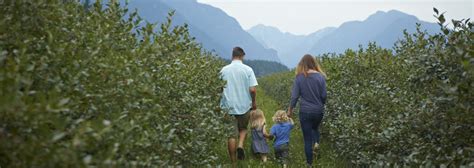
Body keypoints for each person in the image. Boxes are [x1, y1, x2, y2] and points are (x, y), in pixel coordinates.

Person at [220, 47, 258, 164]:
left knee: (231, 135)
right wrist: (254, 102)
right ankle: (240, 144)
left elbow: (218, 88)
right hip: (244, 106)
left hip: (227, 107)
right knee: (243, 129)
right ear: (242, 56)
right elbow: (252, 90)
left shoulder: (223, 70)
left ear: (233, 56)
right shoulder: (248, 70)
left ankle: (233, 162)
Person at [287, 54, 327, 167]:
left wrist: (290, 110)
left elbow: (294, 97)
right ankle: (317, 144)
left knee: (307, 138)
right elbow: (324, 96)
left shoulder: (299, 77)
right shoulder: (320, 77)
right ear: (314, 63)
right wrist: (320, 105)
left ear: (302, 64)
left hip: (305, 111)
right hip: (318, 111)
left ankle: (309, 164)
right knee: (315, 128)